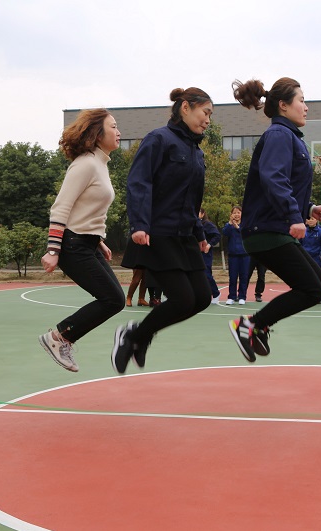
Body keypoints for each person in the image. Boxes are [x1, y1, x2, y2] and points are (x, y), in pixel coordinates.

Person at [228, 77, 321, 362]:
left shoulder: (290, 137)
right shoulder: (278, 135)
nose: (306, 107)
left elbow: (285, 186)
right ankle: (251, 325)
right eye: (302, 101)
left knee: (320, 287)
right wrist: (293, 216)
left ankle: (256, 326)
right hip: (266, 229)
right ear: (284, 105)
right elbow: (273, 178)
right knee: (311, 288)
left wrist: (309, 209)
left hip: (276, 227)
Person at [112, 87, 214, 373]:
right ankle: (135, 336)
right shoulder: (159, 139)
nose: (208, 120)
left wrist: (200, 233)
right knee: (182, 299)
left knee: (202, 298)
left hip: (185, 235)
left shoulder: (196, 152)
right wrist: (139, 224)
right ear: (186, 107)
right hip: (158, 232)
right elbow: (139, 182)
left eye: (210, 115)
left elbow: (192, 200)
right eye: (205, 112)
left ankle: (138, 335)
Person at [37, 108, 126, 372]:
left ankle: (61, 337)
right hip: (72, 245)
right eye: (113, 127)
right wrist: (53, 250)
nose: (119, 132)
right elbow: (61, 207)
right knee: (112, 299)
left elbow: (87, 209)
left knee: (115, 299)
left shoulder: (100, 163)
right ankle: (59, 337)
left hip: (87, 242)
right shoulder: (85, 164)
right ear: (97, 134)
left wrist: (99, 240)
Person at [222, 205, 250, 304]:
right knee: (233, 277)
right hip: (233, 255)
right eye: (234, 213)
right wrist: (230, 223)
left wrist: (237, 227)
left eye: (238, 212)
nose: (236, 215)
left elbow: (246, 234)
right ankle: (232, 297)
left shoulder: (245, 224)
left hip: (245, 255)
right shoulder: (228, 225)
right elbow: (225, 233)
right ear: (231, 214)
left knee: (244, 276)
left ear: (242, 214)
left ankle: (242, 297)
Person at [199, 208, 222, 304]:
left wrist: (209, 245)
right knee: (196, 275)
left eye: (198, 212)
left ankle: (216, 293)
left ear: (203, 214)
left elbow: (217, 235)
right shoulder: (192, 224)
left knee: (206, 274)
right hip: (194, 253)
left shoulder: (207, 224)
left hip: (205, 253)